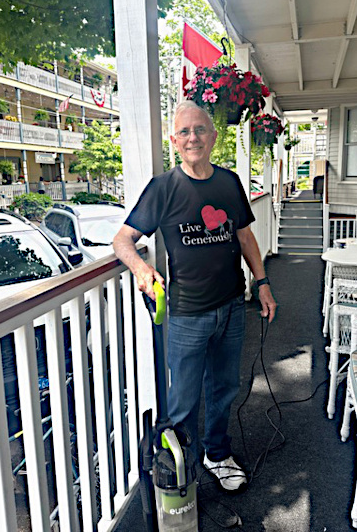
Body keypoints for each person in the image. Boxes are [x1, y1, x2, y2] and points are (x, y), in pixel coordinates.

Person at [113, 101, 277, 493]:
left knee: (224, 389)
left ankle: (216, 454)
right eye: (184, 132)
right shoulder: (163, 188)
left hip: (232, 306)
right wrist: (141, 268)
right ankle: (180, 468)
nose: (193, 138)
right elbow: (122, 239)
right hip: (187, 313)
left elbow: (244, 235)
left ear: (213, 136)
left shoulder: (229, 182)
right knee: (183, 400)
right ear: (174, 140)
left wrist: (263, 280)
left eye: (200, 130)